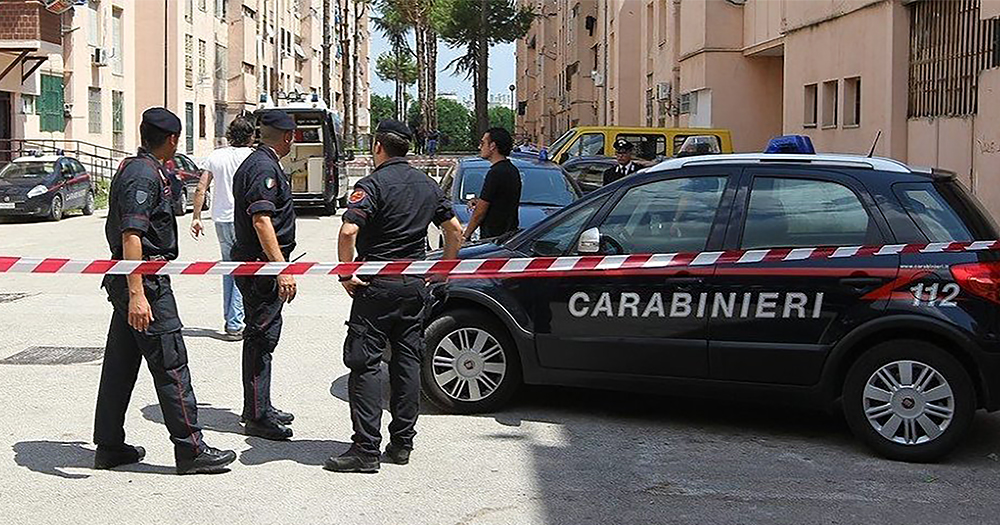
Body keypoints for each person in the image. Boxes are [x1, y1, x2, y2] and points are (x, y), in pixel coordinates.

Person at [94, 107, 237, 475]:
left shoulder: (137, 166)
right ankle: (191, 449)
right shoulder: (143, 175)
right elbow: (132, 236)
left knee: (120, 366)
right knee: (172, 364)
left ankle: (109, 446)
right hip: (145, 283)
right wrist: (139, 293)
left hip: (131, 280)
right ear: (172, 139)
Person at [325, 119, 463, 473]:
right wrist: (443, 270)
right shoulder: (428, 185)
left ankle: (366, 450)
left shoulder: (371, 184)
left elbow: (348, 231)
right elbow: (455, 230)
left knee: (365, 363)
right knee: (406, 362)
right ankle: (402, 444)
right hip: (415, 284)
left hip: (377, 286)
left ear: (377, 147)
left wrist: (346, 273)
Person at [231, 109, 298, 441]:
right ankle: (257, 416)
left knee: (263, 336)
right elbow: (261, 220)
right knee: (261, 338)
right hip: (261, 267)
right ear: (287, 137)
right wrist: (279, 267)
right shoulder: (263, 167)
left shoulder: (259, 162)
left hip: (258, 263)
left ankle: (259, 405)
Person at [190, 116, 255, 340]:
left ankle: (230, 319)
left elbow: (201, 187)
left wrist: (196, 217)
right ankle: (236, 323)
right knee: (243, 270)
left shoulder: (216, 156)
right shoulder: (252, 157)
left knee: (229, 267)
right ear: (251, 136)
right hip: (243, 220)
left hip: (220, 219)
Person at [463, 127, 522, 241]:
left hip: (493, 238)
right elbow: (500, 200)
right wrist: (479, 201)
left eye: (483, 143)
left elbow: (480, 212)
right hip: (508, 236)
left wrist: (465, 236)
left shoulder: (495, 173)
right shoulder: (512, 170)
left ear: (492, 146)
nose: (480, 147)